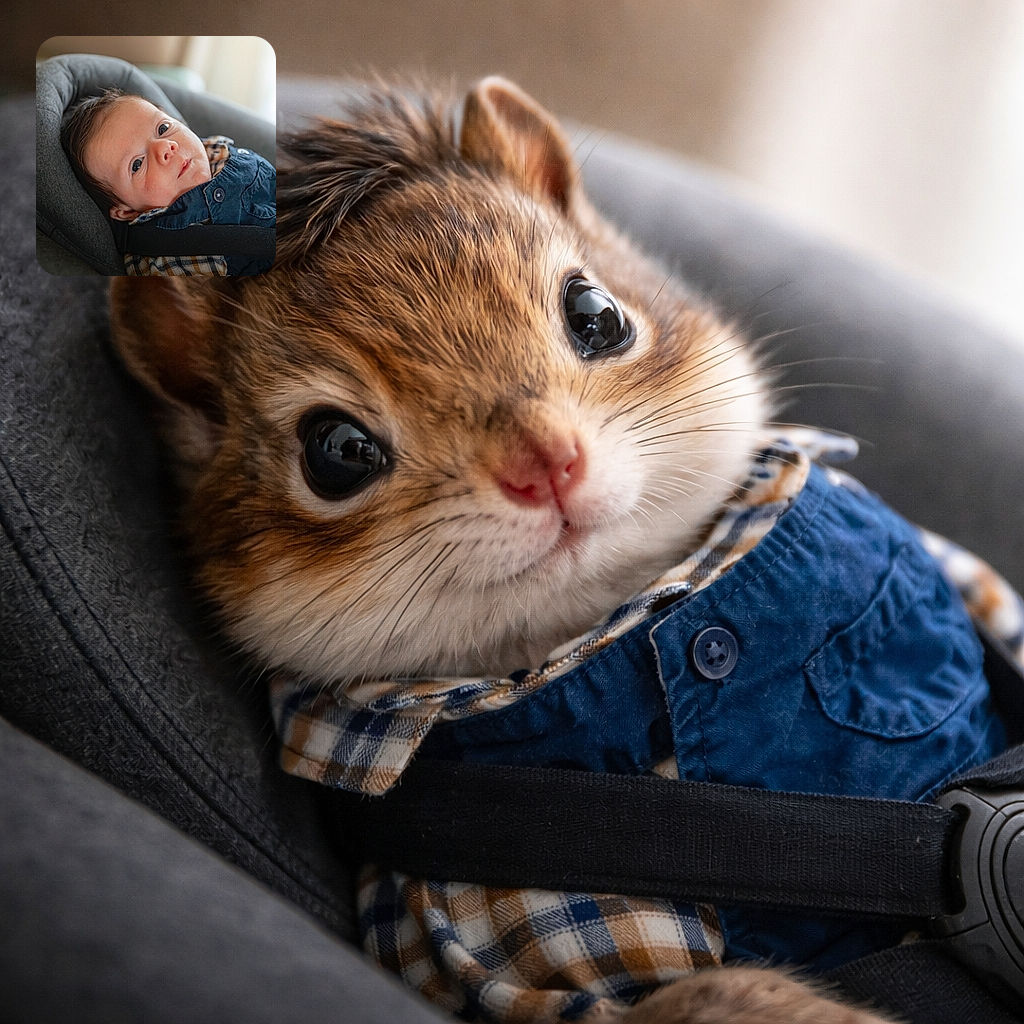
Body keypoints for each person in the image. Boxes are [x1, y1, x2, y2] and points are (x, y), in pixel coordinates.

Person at [61, 89, 275, 275]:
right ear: (126, 211)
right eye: (137, 164)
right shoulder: (162, 260)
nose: (166, 147)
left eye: (163, 129)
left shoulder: (216, 149)